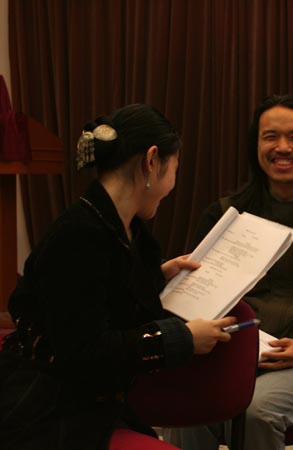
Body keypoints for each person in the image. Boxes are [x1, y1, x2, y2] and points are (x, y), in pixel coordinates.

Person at [0, 104, 236, 450]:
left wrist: (157, 276)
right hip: (44, 407)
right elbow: (85, 352)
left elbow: (103, 290)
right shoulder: (78, 236)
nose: (173, 184)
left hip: (87, 400)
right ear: (152, 161)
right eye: (175, 168)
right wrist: (181, 338)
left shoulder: (123, 228)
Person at [163, 94, 293, 450]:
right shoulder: (224, 215)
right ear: (255, 146)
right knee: (187, 408)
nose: (283, 147)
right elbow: (197, 300)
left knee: (255, 412)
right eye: (270, 137)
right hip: (228, 356)